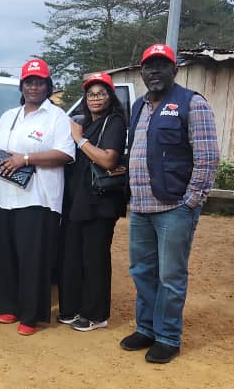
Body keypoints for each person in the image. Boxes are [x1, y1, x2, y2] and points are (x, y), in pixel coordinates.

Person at [121, 43, 219, 363]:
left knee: (170, 276)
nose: (155, 72)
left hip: (174, 207)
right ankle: (147, 328)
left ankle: (168, 336)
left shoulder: (192, 103)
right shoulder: (138, 106)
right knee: (142, 271)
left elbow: (207, 158)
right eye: (149, 67)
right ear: (142, 72)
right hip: (140, 208)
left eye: (162, 66)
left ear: (174, 71)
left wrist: (191, 201)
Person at [0, 58, 74, 336]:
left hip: (37, 198)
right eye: (29, 82)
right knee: (4, 254)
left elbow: (65, 153)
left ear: (48, 86)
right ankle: (6, 305)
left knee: (32, 257)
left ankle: (30, 314)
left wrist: (25, 159)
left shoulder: (56, 117)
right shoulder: (9, 115)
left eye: (40, 82)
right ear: (22, 86)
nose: (34, 87)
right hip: (2, 195)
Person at [58, 71, 127, 332]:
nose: (95, 98)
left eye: (101, 93)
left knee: (94, 258)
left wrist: (79, 138)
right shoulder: (84, 123)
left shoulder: (115, 122)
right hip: (78, 200)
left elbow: (108, 160)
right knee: (72, 256)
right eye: (90, 94)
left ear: (110, 96)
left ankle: (96, 315)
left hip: (101, 202)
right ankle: (73, 308)